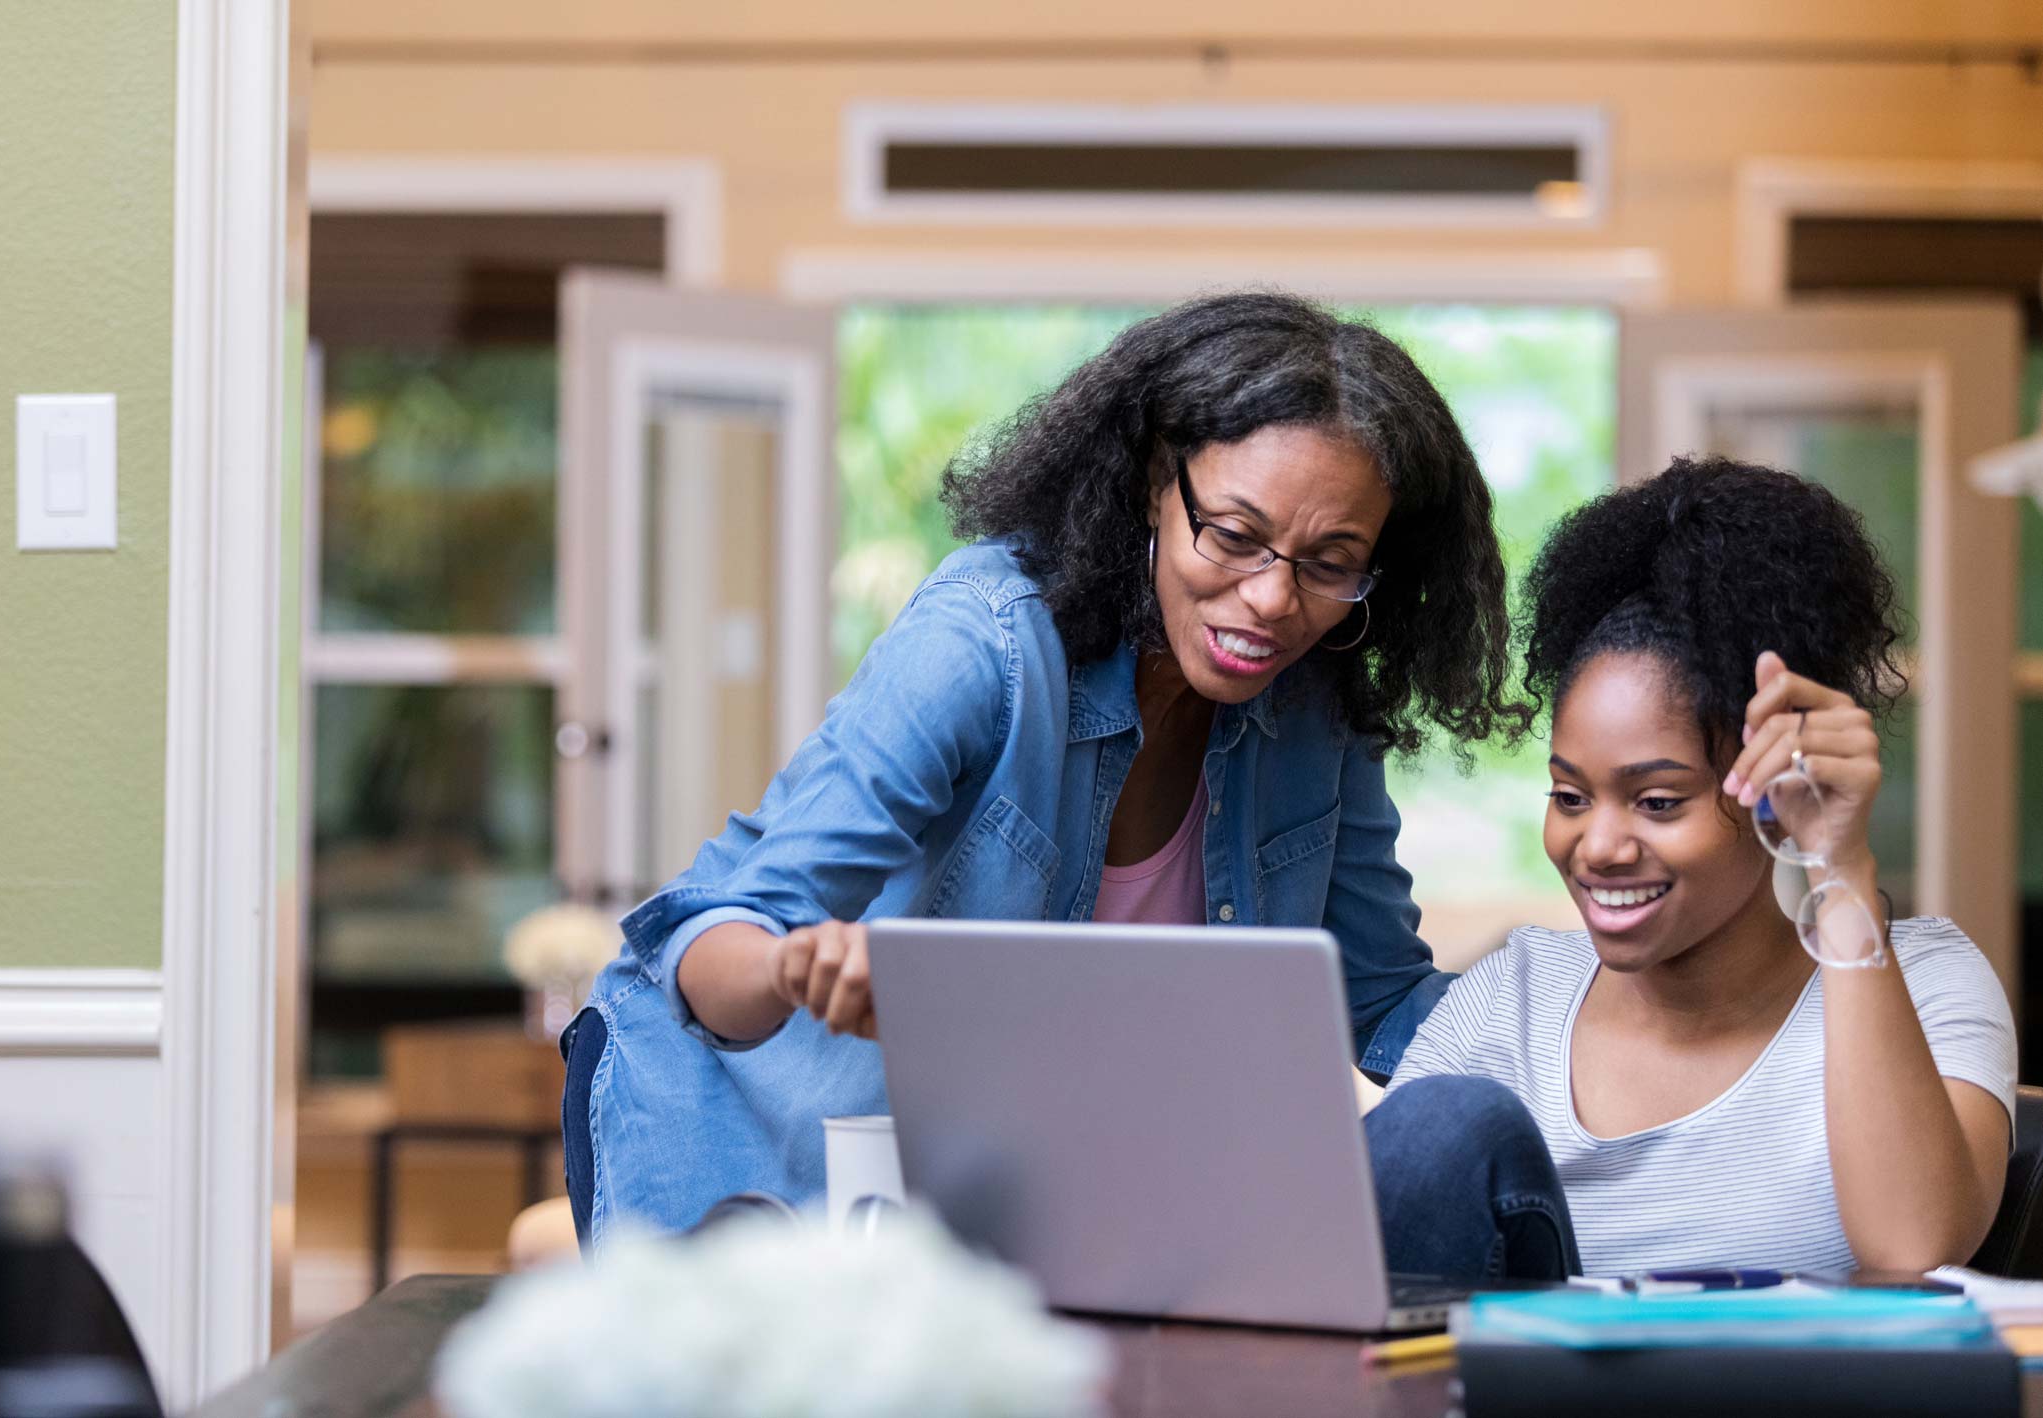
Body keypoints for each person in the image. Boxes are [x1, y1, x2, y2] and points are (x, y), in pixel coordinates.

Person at [562, 292, 1542, 1248]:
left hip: (1034, 1177)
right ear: (1156, 483)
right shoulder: (982, 643)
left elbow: (1381, 999)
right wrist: (789, 963)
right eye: (1234, 536)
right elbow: (710, 953)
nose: (1272, 599)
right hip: (755, 1145)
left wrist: (1596, 1023)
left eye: (1330, 561)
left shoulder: (1314, 707)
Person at [1383, 457, 2017, 1277]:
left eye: (1658, 802)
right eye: (1570, 797)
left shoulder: (1929, 982)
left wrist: (1840, 862)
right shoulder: (1510, 1002)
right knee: (1437, 1124)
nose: (1599, 846)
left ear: (1767, 791)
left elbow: (1910, 1250)